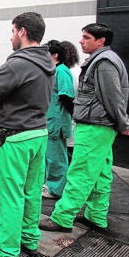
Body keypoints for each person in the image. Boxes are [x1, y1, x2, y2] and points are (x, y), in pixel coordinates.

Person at [0, 12, 55, 257]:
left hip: (15, 138)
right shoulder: (47, 62)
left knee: (9, 196)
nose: (10, 37)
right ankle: (28, 240)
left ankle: (7, 252)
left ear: (22, 31)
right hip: (39, 134)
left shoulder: (18, 63)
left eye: (12, 32)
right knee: (32, 193)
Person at [39, 23, 129, 233]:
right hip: (100, 127)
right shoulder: (103, 61)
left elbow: (112, 97)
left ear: (100, 41)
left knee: (80, 171)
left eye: (86, 37)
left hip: (94, 126)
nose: (80, 41)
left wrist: (124, 122)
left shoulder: (103, 62)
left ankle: (62, 218)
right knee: (100, 173)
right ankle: (96, 215)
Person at [42, 40, 75, 199]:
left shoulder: (62, 71)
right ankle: (51, 184)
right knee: (50, 156)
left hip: (57, 121)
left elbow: (67, 96)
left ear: (54, 55)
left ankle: (57, 189)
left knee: (57, 158)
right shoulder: (53, 70)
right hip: (50, 119)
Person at [61, 40, 80, 162]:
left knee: (66, 158)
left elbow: (66, 98)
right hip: (76, 121)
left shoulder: (67, 73)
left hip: (68, 120)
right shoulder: (79, 70)